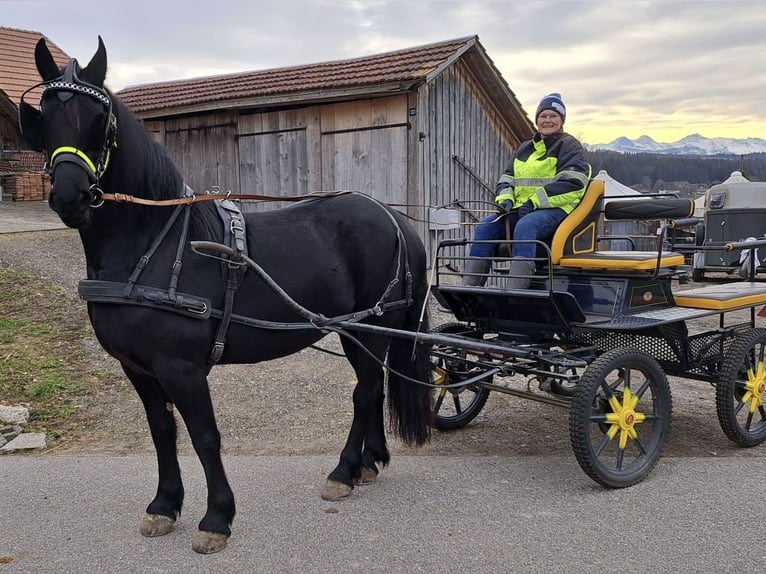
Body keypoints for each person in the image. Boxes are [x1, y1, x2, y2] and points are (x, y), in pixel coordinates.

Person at [463, 92, 591, 288]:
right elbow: (507, 179)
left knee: (526, 226)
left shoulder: (569, 146)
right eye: (543, 116)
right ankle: (469, 288)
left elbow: (572, 183)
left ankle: (517, 290)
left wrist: (534, 202)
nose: (547, 120)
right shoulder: (524, 148)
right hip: (523, 209)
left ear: (561, 120)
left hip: (557, 210)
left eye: (553, 116)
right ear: (537, 119)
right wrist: (505, 200)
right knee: (485, 226)